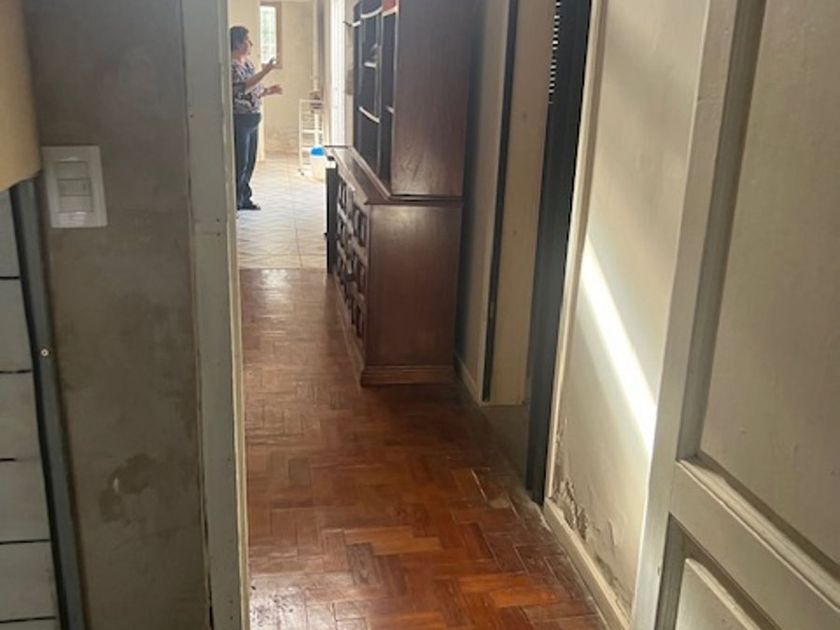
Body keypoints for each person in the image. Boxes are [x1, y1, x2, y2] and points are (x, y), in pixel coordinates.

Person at [230, 26, 282, 211]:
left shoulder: (249, 65)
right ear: (237, 43)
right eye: (247, 40)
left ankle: (244, 197)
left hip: (253, 117)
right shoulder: (232, 66)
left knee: (250, 161)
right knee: (240, 162)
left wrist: (268, 91)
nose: (250, 44)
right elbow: (242, 88)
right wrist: (266, 70)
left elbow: (254, 90)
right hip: (240, 119)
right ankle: (235, 200)